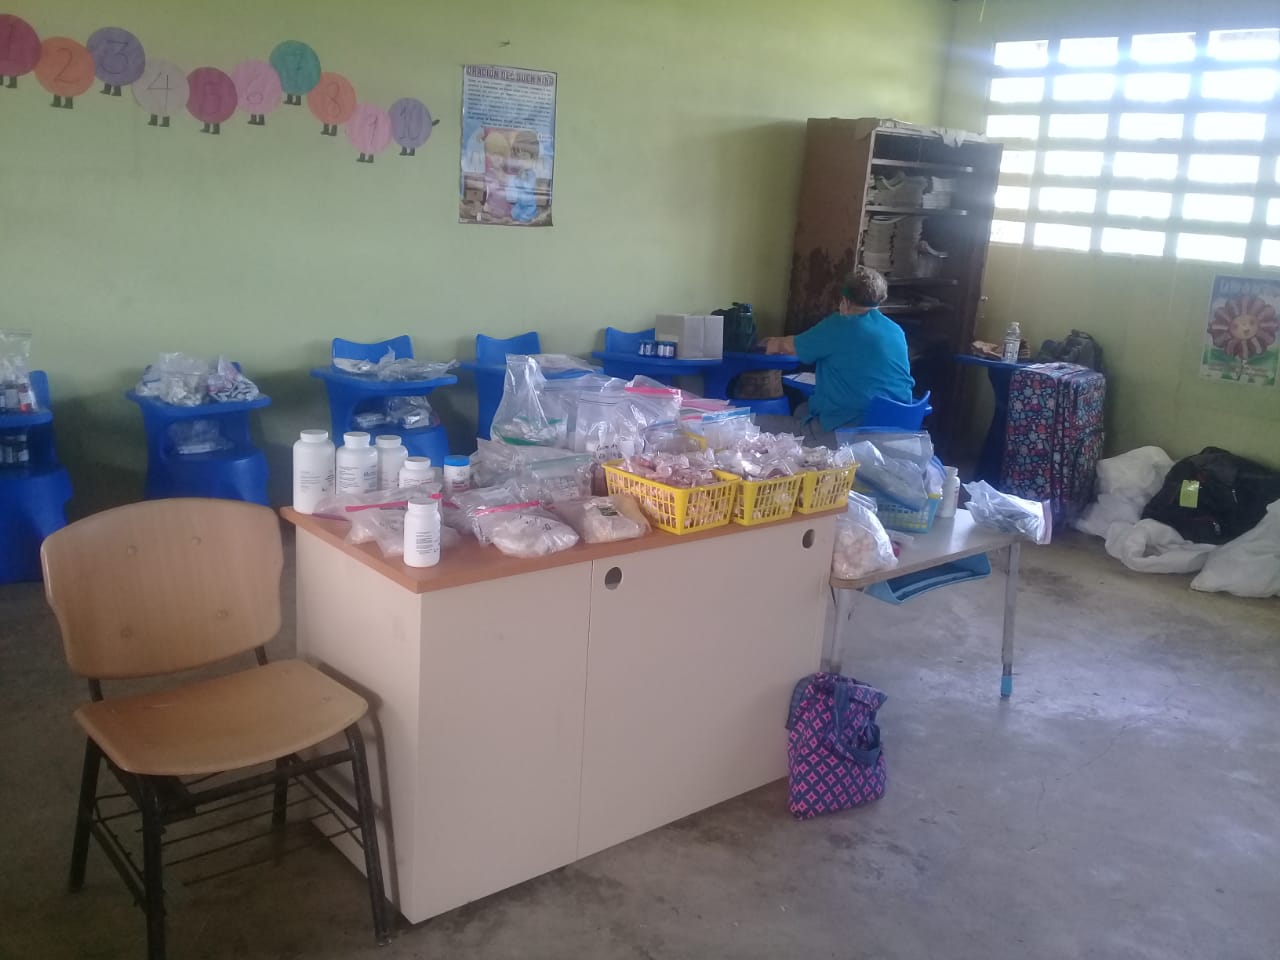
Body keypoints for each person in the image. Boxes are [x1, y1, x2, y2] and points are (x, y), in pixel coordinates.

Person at [758, 265, 914, 446]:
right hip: (894, 430)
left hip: (849, 432)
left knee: (752, 425)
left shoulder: (841, 325)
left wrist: (763, 344)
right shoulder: (895, 330)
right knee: (802, 410)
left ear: (845, 301)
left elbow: (785, 347)